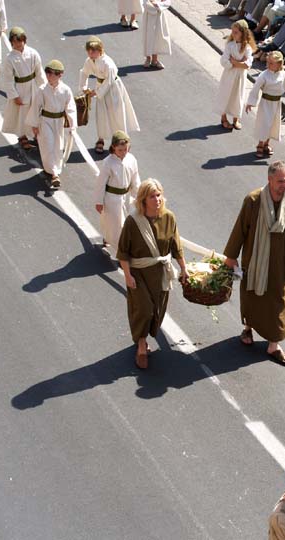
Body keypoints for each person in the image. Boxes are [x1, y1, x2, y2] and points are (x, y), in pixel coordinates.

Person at [223, 161, 285, 366]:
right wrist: (231, 257)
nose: (284, 185)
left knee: (282, 300)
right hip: (256, 260)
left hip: (282, 261)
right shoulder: (253, 200)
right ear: (269, 180)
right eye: (280, 181)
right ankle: (248, 329)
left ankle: (274, 344)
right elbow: (240, 229)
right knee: (254, 296)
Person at [117, 179, 187, 369]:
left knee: (157, 310)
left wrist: (183, 268)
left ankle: (145, 337)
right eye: (152, 196)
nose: (157, 199)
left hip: (160, 273)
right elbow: (123, 251)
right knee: (144, 309)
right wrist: (127, 275)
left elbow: (176, 246)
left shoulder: (169, 217)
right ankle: (141, 344)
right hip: (139, 273)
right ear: (143, 199)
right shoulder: (133, 221)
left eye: (159, 195)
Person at [79, 36, 140, 154]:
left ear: (100, 50)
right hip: (100, 87)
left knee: (116, 114)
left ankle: (123, 141)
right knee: (101, 115)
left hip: (113, 90)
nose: (91, 53)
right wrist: (84, 88)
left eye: (94, 50)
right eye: (89, 50)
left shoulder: (108, 63)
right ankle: (101, 139)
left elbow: (109, 81)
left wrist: (96, 93)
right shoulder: (89, 61)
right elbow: (84, 72)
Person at [27, 59, 77, 189]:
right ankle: (54, 174)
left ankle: (54, 169)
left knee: (58, 146)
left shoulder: (66, 90)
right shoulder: (42, 89)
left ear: (60, 75)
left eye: (52, 73)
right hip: (46, 121)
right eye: (47, 72)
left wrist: (72, 125)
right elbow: (35, 107)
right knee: (47, 145)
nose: (48, 75)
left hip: (59, 122)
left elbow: (70, 107)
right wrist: (34, 124)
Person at [246, 51, 285, 159]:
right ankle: (260, 144)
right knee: (264, 124)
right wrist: (251, 102)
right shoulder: (264, 75)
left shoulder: (284, 75)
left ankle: (267, 143)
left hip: (276, 104)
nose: (268, 65)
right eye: (268, 62)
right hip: (265, 104)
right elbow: (255, 88)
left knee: (272, 125)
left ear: (279, 64)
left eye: (271, 63)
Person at [95, 131, 140, 257]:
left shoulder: (131, 159)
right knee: (117, 226)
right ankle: (122, 255)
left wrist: (138, 196)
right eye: (120, 150)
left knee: (127, 224)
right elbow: (100, 184)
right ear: (114, 147)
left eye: (126, 149)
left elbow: (135, 179)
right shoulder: (108, 162)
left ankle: (109, 238)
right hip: (112, 199)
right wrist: (99, 201)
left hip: (126, 198)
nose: (123, 152)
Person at [1, 26, 46, 151]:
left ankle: (35, 134)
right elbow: (8, 79)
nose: (17, 44)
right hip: (20, 88)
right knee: (22, 113)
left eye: (20, 41)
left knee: (35, 110)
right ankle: (22, 136)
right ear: (11, 43)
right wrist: (14, 95)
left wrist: (44, 87)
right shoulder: (9, 59)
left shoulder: (32, 53)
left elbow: (39, 72)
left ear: (24, 40)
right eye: (14, 41)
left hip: (32, 86)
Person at [217, 20, 256, 130]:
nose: (233, 34)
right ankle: (223, 117)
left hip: (240, 77)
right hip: (229, 75)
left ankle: (236, 118)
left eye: (236, 32)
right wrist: (238, 63)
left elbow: (248, 64)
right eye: (232, 32)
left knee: (238, 97)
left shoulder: (247, 48)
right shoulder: (230, 45)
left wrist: (234, 62)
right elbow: (224, 60)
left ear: (243, 33)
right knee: (226, 95)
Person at [143, 0, 172, 69]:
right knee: (149, 36)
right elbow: (145, 2)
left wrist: (158, 5)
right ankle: (148, 58)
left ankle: (155, 60)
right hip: (149, 16)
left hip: (160, 16)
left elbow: (167, 2)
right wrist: (154, 7)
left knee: (157, 37)